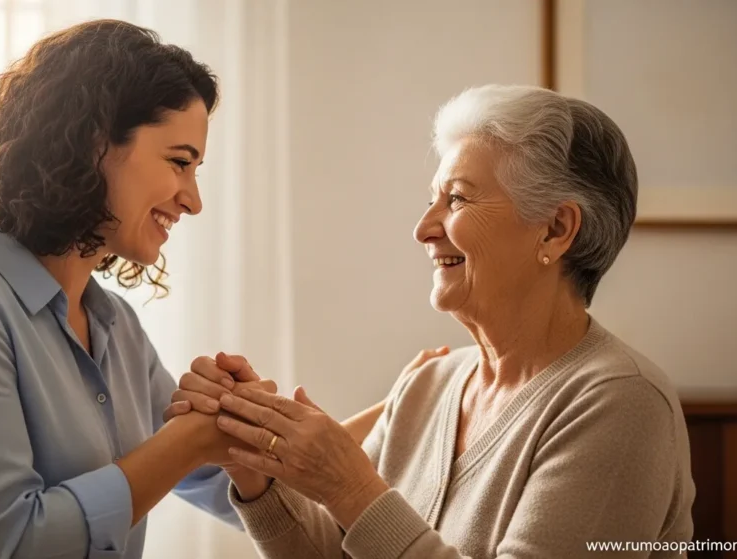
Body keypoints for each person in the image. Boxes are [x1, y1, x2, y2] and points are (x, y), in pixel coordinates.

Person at [0, 19, 436, 559]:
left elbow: (234, 471)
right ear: (92, 144)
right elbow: (8, 545)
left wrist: (410, 404)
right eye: (179, 162)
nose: (193, 198)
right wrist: (190, 440)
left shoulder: (113, 324)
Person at [169, 85, 696, 558]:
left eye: (458, 199)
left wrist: (352, 490)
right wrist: (255, 472)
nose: (423, 228)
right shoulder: (429, 384)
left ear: (556, 230)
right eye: (431, 201)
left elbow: (364, 515)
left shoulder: (621, 401)